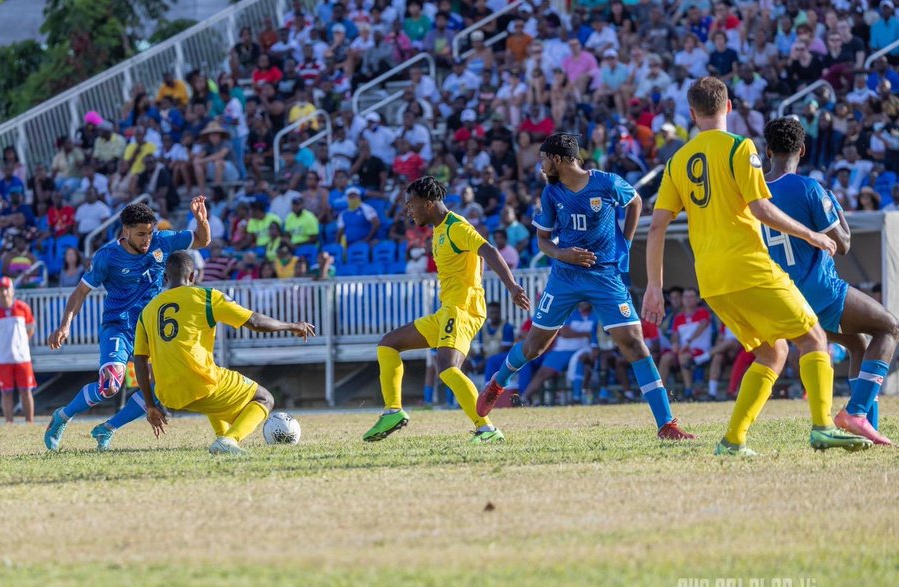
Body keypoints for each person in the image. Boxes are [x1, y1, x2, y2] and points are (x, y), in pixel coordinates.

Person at [643, 77, 868, 456]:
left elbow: (658, 226)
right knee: (813, 338)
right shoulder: (739, 147)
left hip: (711, 281)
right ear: (728, 107)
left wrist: (654, 285)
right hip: (748, 266)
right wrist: (812, 235)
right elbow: (760, 208)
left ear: (693, 113)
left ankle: (733, 440)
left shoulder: (677, 161)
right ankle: (822, 427)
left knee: (772, 352)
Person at [479, 133, 690, 437]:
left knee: (633, 343)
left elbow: (635, 202)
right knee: (534, 347)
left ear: (560, 159)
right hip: (565, 277)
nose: (541, 165)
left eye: (543, 158)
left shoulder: (605, 182)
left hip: (605, 276)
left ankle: (666, 424)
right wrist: (562, 253)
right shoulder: (551, 194)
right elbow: (542, 240)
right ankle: (497, 384)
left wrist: (625, 243)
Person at [762, 117, 899, 445]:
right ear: (803, 150)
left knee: (857, 343)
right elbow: (842, 244)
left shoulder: (753, 192)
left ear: (768, 150)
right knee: (889, 328)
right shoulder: (809, 187)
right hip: (819, 288)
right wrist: (835, 206)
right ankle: (855, 413)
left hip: (784, 294)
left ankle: (865, 427)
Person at [362, 176, 531, 444]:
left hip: (462, 308)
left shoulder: (456, 226)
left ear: (428, 204)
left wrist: (512, 286)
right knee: (388, 344)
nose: (408, 210)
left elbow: (488, 250)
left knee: (447, 368)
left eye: (411, 204)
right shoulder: (438, 229)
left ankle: (486, 429)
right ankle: (393, 410)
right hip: (448, 309)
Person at [42, 198, 210, 451]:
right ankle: (62, 417)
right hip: (119, 326)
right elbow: (80, 292)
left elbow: (202, 240)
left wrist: (201, 220)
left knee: (162, 387)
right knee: (110, 385)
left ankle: (106, 429)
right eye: (140, 234)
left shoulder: (162, 242)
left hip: (152, 328)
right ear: (125, 231)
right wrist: (65, 325)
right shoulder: (107, 257)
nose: (146, 240)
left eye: (149, 233)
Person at [134, 253, 315, 454]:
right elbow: (254, 321)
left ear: (165, 278)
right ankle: (229, 440)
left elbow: (140, 361)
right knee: (264, 399)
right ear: (193, 277)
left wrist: (150, 405)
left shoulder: (147, 312)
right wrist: (291, 325)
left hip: (167, 394)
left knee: (217, 376)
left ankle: (222, 437)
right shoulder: (206, 297)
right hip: (199, 382)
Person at [0, 277, 37, 424]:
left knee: (26, 390)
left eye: (7, 288)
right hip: (3, 358)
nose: (4, 292)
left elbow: (31, 328)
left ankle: (30, 422)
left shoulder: (22, 307)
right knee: (6, 392)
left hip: (22, 357)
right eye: (1, 289)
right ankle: (9, 422)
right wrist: (2, 344)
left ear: (12, 290)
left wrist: (21, 342)